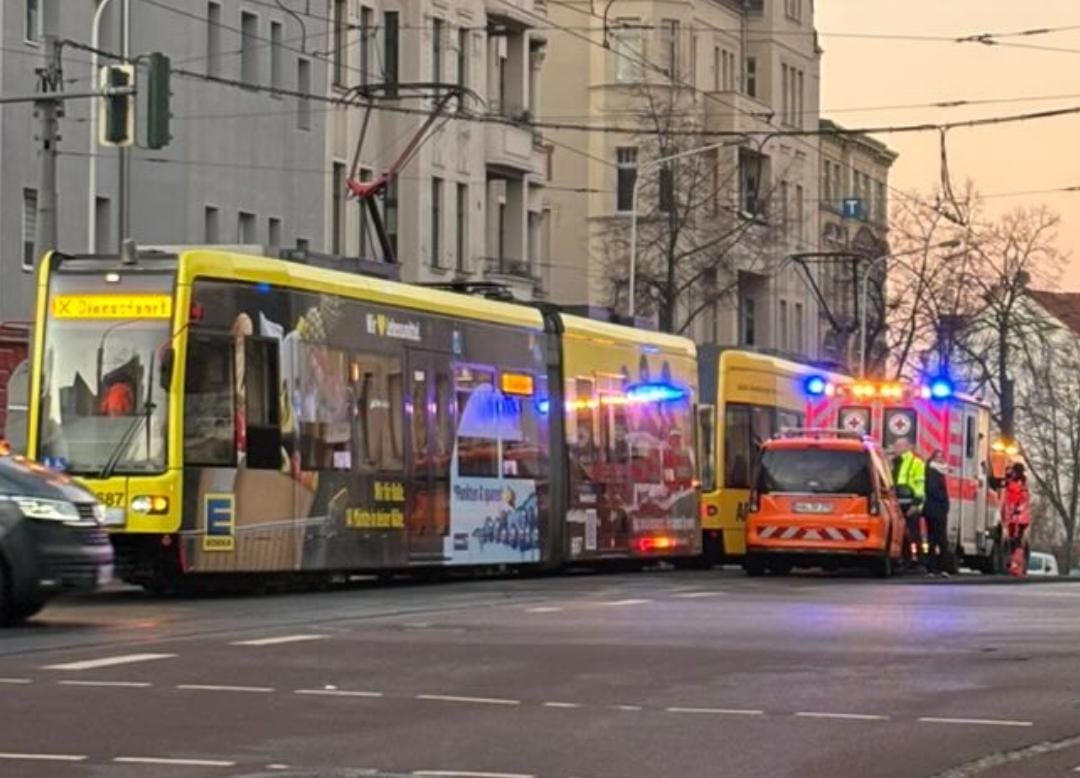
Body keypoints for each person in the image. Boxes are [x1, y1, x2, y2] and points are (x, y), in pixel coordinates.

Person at [891, 437, 926, 568]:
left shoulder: (917, 463)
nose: (895, 449)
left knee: (914, 534)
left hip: (911, 504)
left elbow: (920, 486)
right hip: (897, 504)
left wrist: (916, 504)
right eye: (895, 446)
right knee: (900, 534)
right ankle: (904, 559)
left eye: (898, 446)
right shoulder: (894, 462)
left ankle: (920, 561)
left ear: (907, 447)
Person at [923, 450, 951, 577]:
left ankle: (933, 568)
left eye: (941, 457)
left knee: (933, 539)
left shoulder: (937, 471)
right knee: (940, 540)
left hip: (933, 510)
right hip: (935, 510)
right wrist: (944, 503)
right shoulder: (934, 472)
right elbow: (932, 490)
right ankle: (940, 568)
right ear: (933, 459)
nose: (940, 459)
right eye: (938, 457)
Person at [1002, 463, 1032, 576]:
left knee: (1015, 542)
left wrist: (1015, 511)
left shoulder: (1017, 485)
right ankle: (1016, 565)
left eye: (1013, 471)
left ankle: (1016, 565)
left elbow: (1017, 499)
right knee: (1015, 541)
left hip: (1017, 519)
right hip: (1018, 518)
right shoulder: (1021, 483)